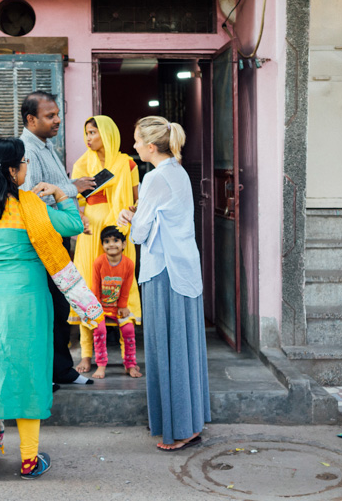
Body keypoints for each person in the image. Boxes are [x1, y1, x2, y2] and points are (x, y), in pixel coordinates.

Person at [0, 138, 102, 480]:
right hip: (27, 301)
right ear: (13, 171)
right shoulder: (33, 207)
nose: (26, 168)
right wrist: (64, 196)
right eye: (23, 163)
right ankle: (29, 460)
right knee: (30, 374)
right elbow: (74, 226)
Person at [118, 117, 210, 452]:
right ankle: (188, 422)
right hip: (183, 268)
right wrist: (140, 213)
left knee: (166, 348)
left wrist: (130, 218)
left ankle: (179, 428)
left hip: (164, 271)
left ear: (151, 146)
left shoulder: (155, 178)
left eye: (137, 140)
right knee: (184, 348)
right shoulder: (177, 172)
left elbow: (141, 232)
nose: (134, 146)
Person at [19, 91, 96, 386]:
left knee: (59, 305)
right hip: (43, 239)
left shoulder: (46, 144)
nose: (57, 120)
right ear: (31, 119)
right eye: (50, 116)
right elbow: (34, 196)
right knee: (45, 307)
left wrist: (68, 187)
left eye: (57, 114)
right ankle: (47, 374)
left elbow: (53, 187)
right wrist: (72, 188)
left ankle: (62, 370)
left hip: (56, 236)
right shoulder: (27, 149)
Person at [70, 116, 141, 375]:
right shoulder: (81, 164)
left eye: (93, 133)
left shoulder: (127, 163)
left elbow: (136, 200)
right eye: (86, 133)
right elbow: (73, 202)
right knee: (88, 287)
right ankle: (87, 355)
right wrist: (82, 216)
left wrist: (129, 212)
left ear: (107, 134)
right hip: (90, 236)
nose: (88, 138)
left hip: (119, 233)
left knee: (122, 284)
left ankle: (129, 359)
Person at [88, 226, 141, 379]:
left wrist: (123, 306)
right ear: (102, 245)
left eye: (116, 240)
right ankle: (101, 365)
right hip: (101, 307)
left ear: (124, 244)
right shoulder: (98, 263)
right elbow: (95, 287)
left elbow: (126, 287)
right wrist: (97, 309)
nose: (111, 244)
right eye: (107, 241)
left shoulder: (129, 264)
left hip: (118, 307)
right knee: (100, 330)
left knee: (129, 329)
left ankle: (130, 365)